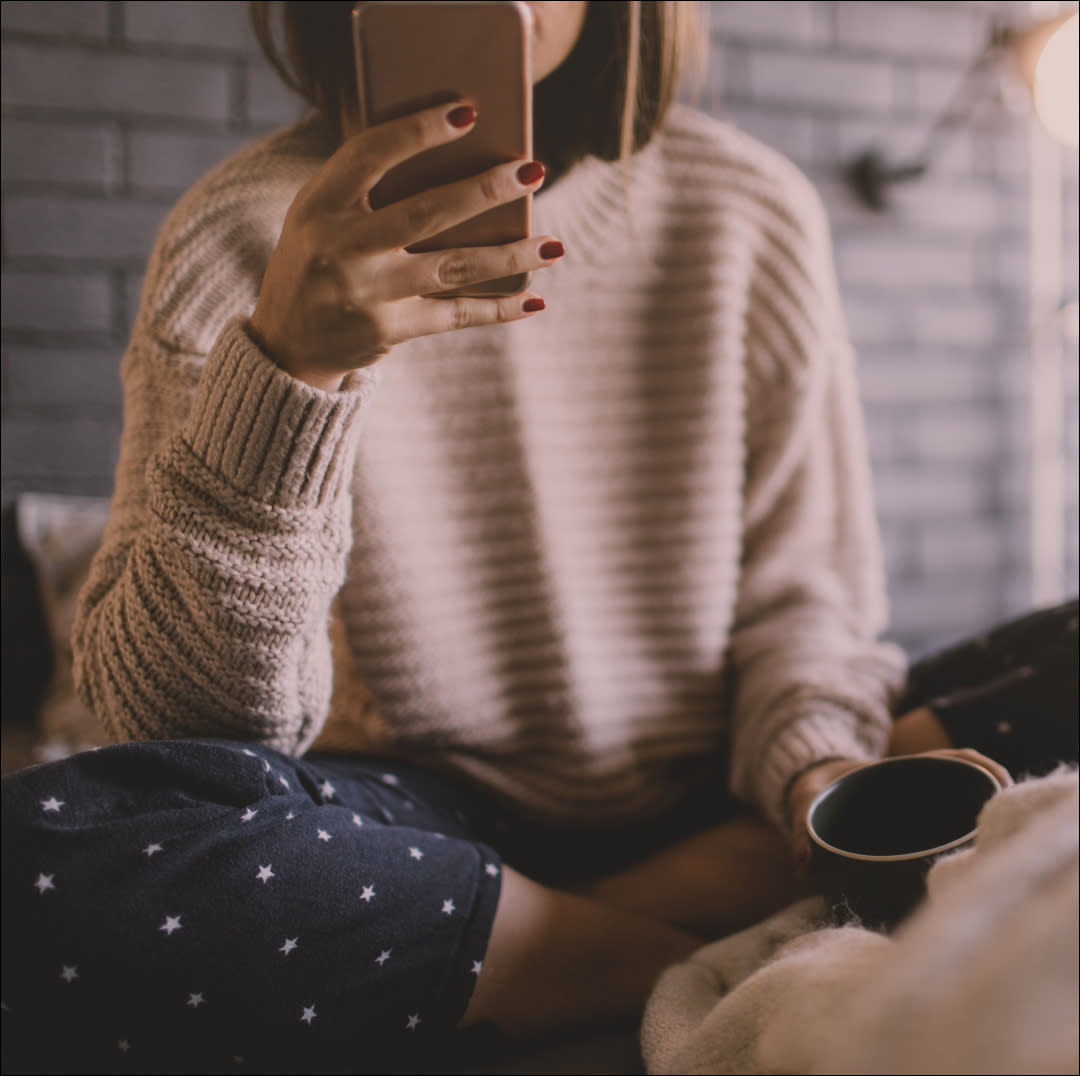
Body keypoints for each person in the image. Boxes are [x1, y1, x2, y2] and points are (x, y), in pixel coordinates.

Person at [3, 2, 1070, 1073]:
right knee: (38, 859)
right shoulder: (240, 234)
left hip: (725, 789)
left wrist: (817, 774)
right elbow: (188, 740)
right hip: (421, 818)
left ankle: (526, 932)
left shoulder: (749, 209)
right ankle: (612, 938)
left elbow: (804, 602)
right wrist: (291, 368)